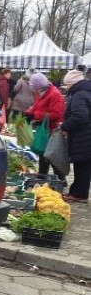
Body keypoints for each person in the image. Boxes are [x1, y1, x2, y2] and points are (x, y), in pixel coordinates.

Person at [27, 72, 66, 180]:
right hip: (44, 128)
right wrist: (29, 112)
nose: (35, 91)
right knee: (42, 151)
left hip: (53, 129)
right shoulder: (42, 93)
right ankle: (42, 174)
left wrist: (35, 115)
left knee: (52, 155)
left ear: (40, 86)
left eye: (35, 88)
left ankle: (60, 179)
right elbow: (37, 106)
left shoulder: (54, 94)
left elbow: (57, 114)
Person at [60, 70, 91, 202]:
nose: (66, 87)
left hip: (84, 136)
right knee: (83, 166)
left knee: (82, 166)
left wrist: (64, 125)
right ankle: (78, 192)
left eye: (67, 84)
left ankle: (79, 194)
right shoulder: (86, 92)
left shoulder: (79, 95)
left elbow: (80, 117)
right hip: (86, 135)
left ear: (72, 84)